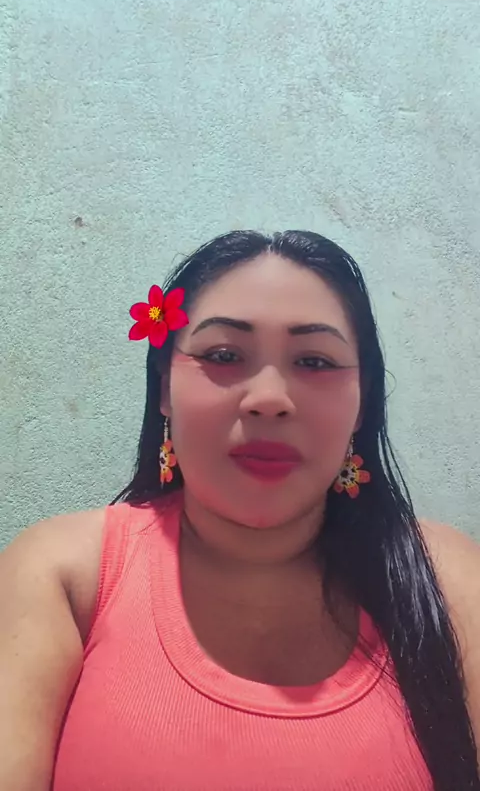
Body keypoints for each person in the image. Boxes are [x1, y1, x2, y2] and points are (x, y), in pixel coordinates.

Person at [1, 229, 479, 791]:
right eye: (224, 355)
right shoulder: (63, 576)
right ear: (164, 387)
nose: (268, 398)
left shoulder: (446, 579)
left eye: (315, 360)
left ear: (362, 402)